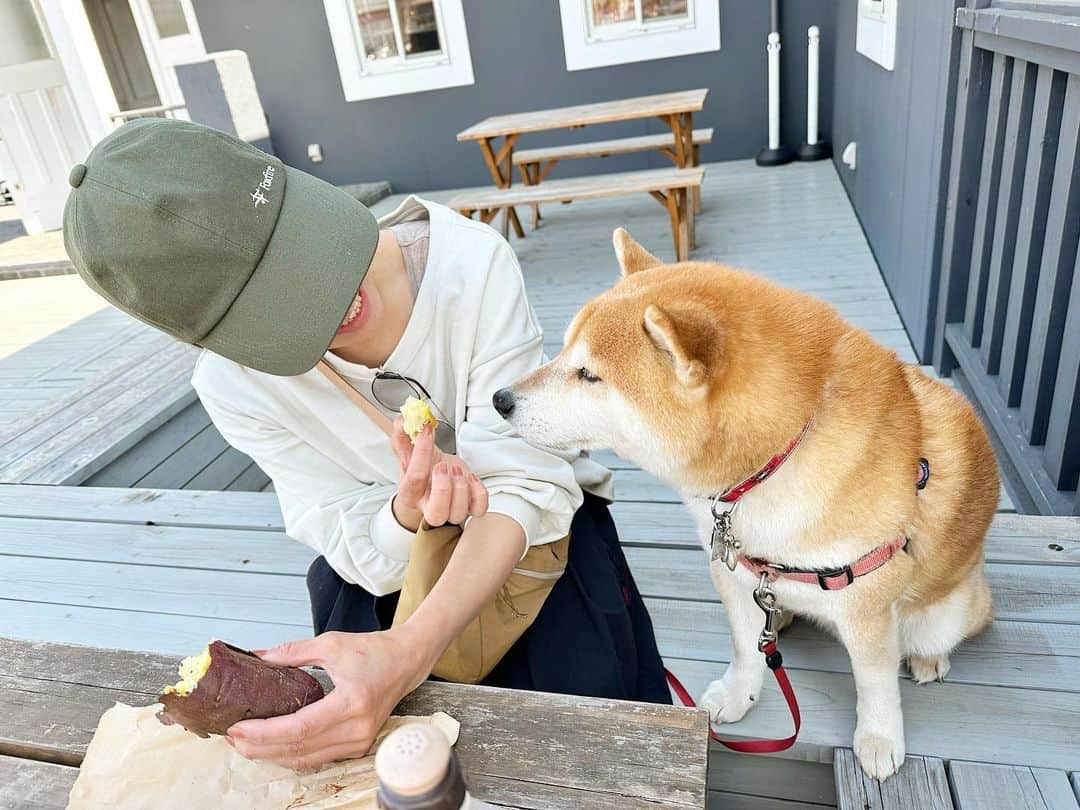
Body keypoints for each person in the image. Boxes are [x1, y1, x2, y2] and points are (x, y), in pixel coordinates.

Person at [63, 118, 669, 768]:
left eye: (303, 249)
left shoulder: (469, 264)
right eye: (274, 311)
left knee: (588, 737)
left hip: (533, 531)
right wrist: (406, 515)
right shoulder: (234, 386)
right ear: (222, 335)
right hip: (382, 561)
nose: (332, 301)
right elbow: (337, 525)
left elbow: (526, 482)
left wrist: (409, 652)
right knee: (355, 753)